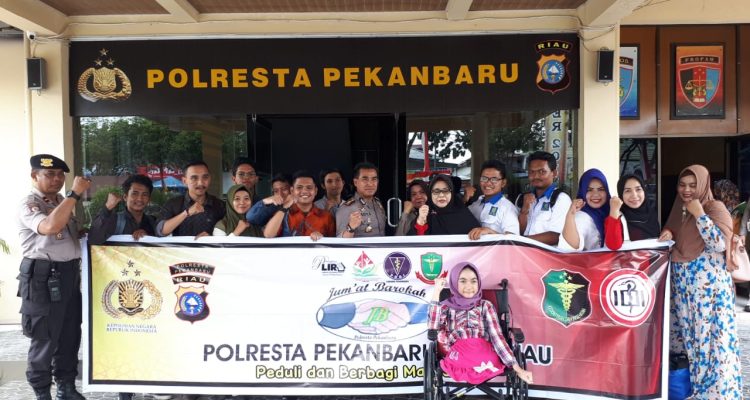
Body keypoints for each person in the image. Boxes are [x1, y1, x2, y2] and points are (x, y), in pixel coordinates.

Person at [658, 165, 743, 399]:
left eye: (693, 185)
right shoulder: (679, 209)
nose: (687, 190)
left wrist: (700, 215)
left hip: (710, 296)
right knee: (692, 344)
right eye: (682, 184)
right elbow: (675, 236)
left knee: (712, 345)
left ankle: (715, 395)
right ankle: (694, 391)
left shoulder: (714, 207)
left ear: (704, 185)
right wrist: (669, 233)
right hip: (686, 295)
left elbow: (719, 244)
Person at [17, 154, 90, 400]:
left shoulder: (60, 201)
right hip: (42, 277)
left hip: (69, 274)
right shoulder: (30, 204)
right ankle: (41, 392)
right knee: (45, 336)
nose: (57, 179)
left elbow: (68, 234)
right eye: (49, 174)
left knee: (70, 334)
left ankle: (66, 387)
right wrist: (74, 194)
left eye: (60, 175)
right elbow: (49, 227)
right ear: (34, 176)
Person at [428, 263, 533, 385]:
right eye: (463, 281)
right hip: (459, 352)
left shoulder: (485, 306)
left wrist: (517, 368)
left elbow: (496, 337)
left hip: (483, 351)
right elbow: (433, 327)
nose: (469, 286)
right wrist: (437, 292)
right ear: (455, 283)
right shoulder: (447, 307)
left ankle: (477, 365)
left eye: (473, 281)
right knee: (461, 359)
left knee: (484, 356)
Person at [156, 161, 225, 238]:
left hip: (210, 246)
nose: (200, 183)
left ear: (210, 178)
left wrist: (212, 238)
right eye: (194, 178)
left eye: (205, 177)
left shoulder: (219, 205)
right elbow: (160, 231)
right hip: (181, 246)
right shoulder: (174, 204)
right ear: (184, 181)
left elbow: (228, 234)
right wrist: (186, 213)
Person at [518, 151, 572, 245]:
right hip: (523, 251)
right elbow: (518, 231)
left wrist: (522, 242)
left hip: (546, 253)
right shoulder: (523, 198)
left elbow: (556, 236)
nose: (536, 176)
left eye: (542, 171)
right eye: (532, 172)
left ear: (554, 173)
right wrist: (524, 211)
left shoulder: (561, 199)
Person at [264, 171, 335, 240]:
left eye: (309, 187)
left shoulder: (327, 217)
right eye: (299, 187)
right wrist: (284, 208)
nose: (304, 191)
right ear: (292, 191)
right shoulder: (282, 213)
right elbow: (268, 235)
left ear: (316, 191)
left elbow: (333, 244)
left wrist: (322, 238)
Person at [89, 174, 157, 245]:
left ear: (149, 199)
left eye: (144, 194)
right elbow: (93, 239)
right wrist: (107, 207)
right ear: (125, 197)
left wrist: (147, 237)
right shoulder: (115, 220)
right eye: (135, 194)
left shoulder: (153, 222)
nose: (140, 199)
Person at [604, 174, 660, 250]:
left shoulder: (651, 213)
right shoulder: (616, 217)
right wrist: (614, 210)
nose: (634, 195)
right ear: (621, 194)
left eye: (638, 189)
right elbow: (613, 246)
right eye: (627, 191)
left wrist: (667, 234)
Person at [409, 175, 480, 235]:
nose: (441, 195)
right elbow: (414, 243)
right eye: (436, 191)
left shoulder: (462, 213)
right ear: (430, 194)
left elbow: (478, 239)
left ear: (452, 193)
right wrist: (420, 224)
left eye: (445, 191)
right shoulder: (424, 215)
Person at [559, 168, 610, 251]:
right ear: (582, 192)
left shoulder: (612, 211)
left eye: (601, 189)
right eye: (589, 190)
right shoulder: (582, 217)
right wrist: (570, 215)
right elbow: (570, 247)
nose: (595, 194)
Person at [468, 160, 520, 240]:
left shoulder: (507, 208)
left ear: (503, 183)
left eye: (494, 179)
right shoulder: (477, 203)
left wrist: (490, 232)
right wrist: (464, 199)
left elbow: (513, 239)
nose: (488, 183)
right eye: (484, 178)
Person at [335, 162, 386, 237]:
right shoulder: (346, 208)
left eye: (374, 179)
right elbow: (339, 240)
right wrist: (350, 228)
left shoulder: (378, 203)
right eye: (365, 179)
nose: (370, 184)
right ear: (355, 182)